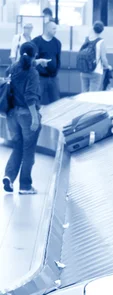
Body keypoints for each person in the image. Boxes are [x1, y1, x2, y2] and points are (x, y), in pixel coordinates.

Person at [2, 42, 41, 195]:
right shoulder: (32, 72)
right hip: (26, 114)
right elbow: (30, 97)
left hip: (11, 114)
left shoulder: (11, 69)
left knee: (17, 146)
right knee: (28, 150)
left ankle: (9, 177)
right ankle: (25, 185)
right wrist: (35, 118)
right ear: (34, 55)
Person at [32, 21, 62, 105]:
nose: (55, 30)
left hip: (53, 77)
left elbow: (58, 59)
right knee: (38, 99)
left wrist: (55, 72)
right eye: (53, 28)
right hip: (40, 77)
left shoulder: (57, 43)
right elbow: (32, 59)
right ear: (47, 29)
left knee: (55, 99)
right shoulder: (36, 41)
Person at [80, 21, 111, 93]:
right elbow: (103, 58)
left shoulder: (86, 39)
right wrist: (108, 66)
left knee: (84, 94)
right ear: (102, 31)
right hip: (96, 72)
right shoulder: (101, 42)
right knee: (92, 95)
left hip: (84, 70)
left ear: (93, 28)